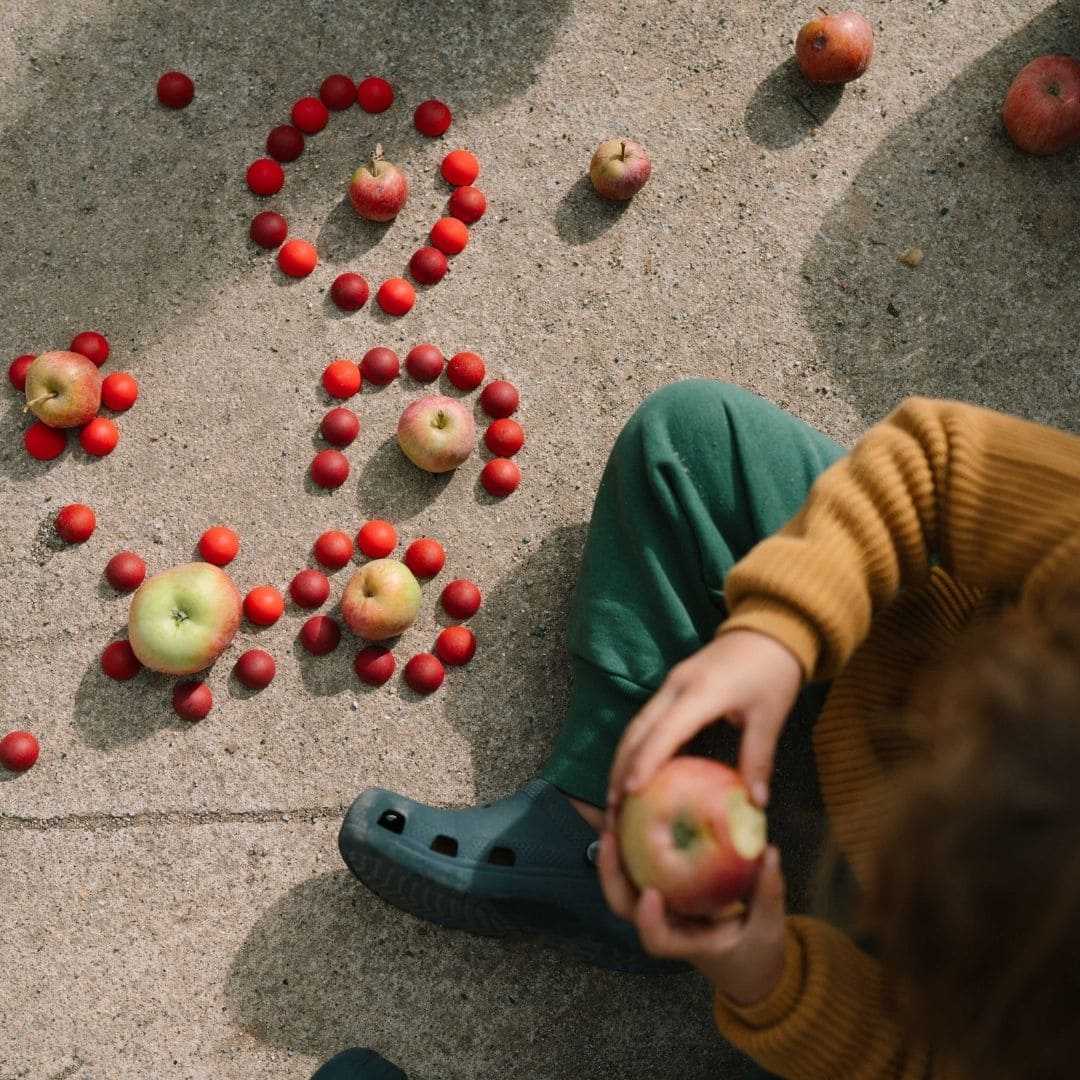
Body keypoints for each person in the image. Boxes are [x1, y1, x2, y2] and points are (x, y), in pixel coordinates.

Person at [330, 380, 1080, 1079]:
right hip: (900, 638)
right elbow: (933, 464)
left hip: (928, 994)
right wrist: (781, 629)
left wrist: (773, 983)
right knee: (688, 444)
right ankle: (591, 819)